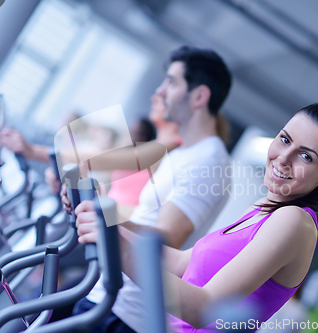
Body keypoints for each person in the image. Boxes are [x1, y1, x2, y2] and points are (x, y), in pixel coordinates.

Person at [75, 102, 318, 332]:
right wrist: (106, 221)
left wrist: (114, 243)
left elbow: (204, 309)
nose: (284, 158)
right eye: (284, 140)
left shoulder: (295, 222)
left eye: (306, 156)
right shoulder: (265, 208)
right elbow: (179, 262)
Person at [68, 45, 233, 333]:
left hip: (125, 314)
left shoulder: (210, 160)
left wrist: (104, 213)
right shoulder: (184, 153)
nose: (161, 90)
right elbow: (145, 219)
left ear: (199, 96)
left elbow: (166, 238)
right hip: (109, 295)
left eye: (171, 81)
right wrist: (97, 206)